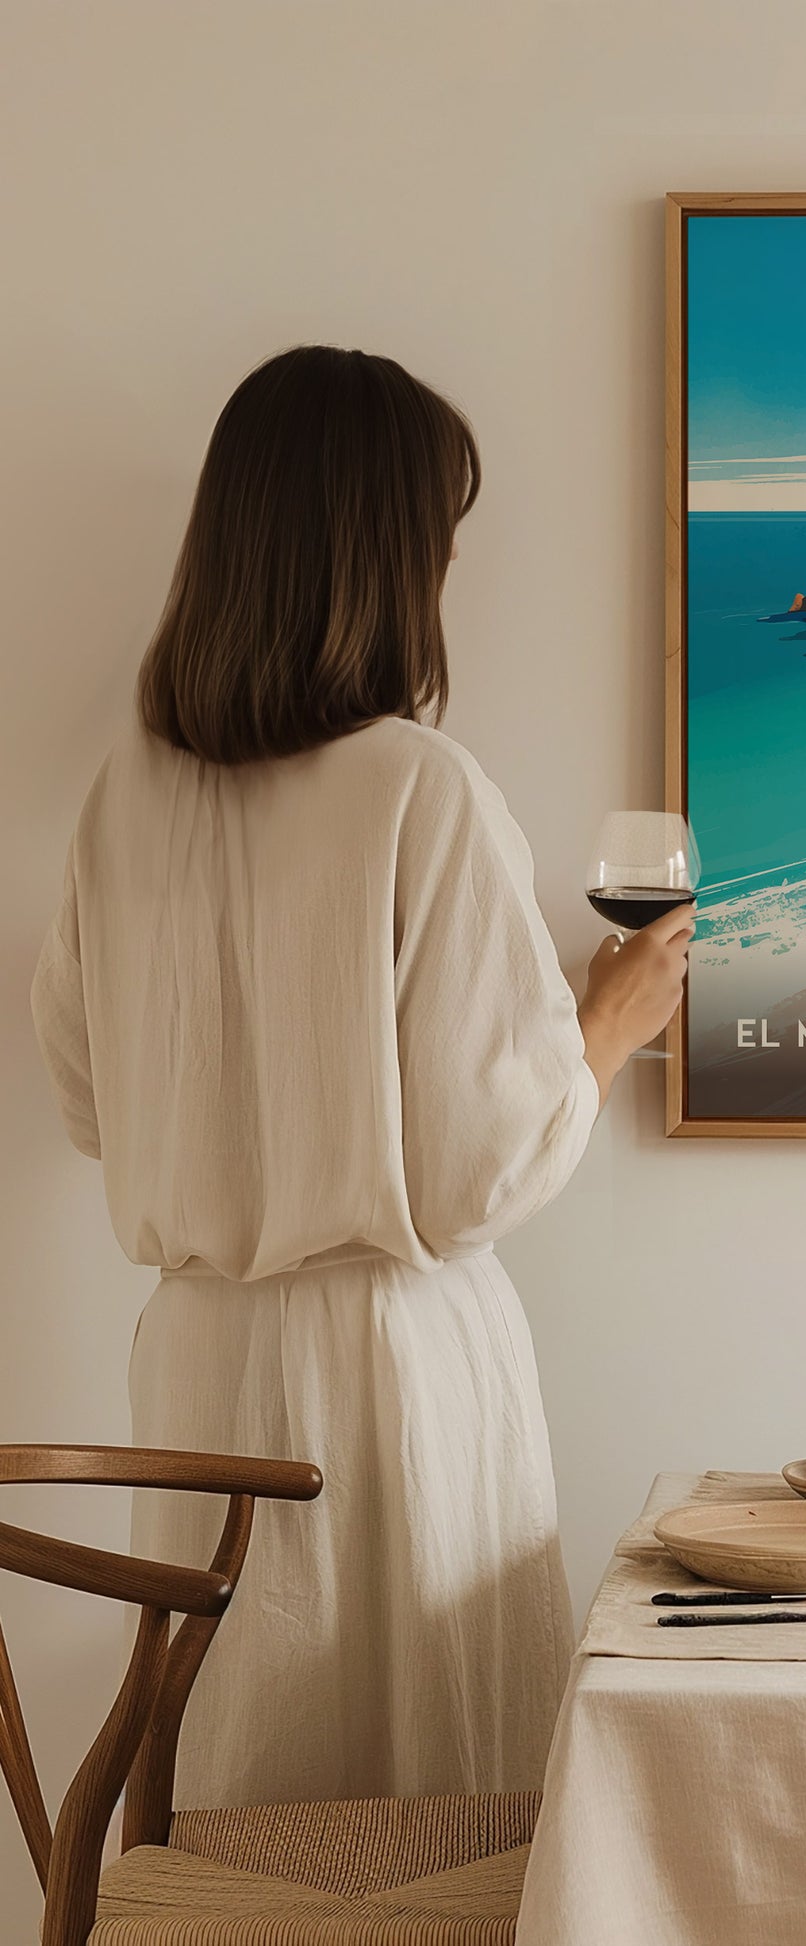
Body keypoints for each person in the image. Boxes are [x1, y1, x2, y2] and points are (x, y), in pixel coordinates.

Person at [29, 345, 688, 1806]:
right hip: (390, 1372)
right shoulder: (417, 786)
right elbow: (475, 1173)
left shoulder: (123, 797)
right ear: (388, 556)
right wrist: (607, 1020)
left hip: (198, 1361)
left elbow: (87, 1101)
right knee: (423, 1811)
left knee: (240, 1788)